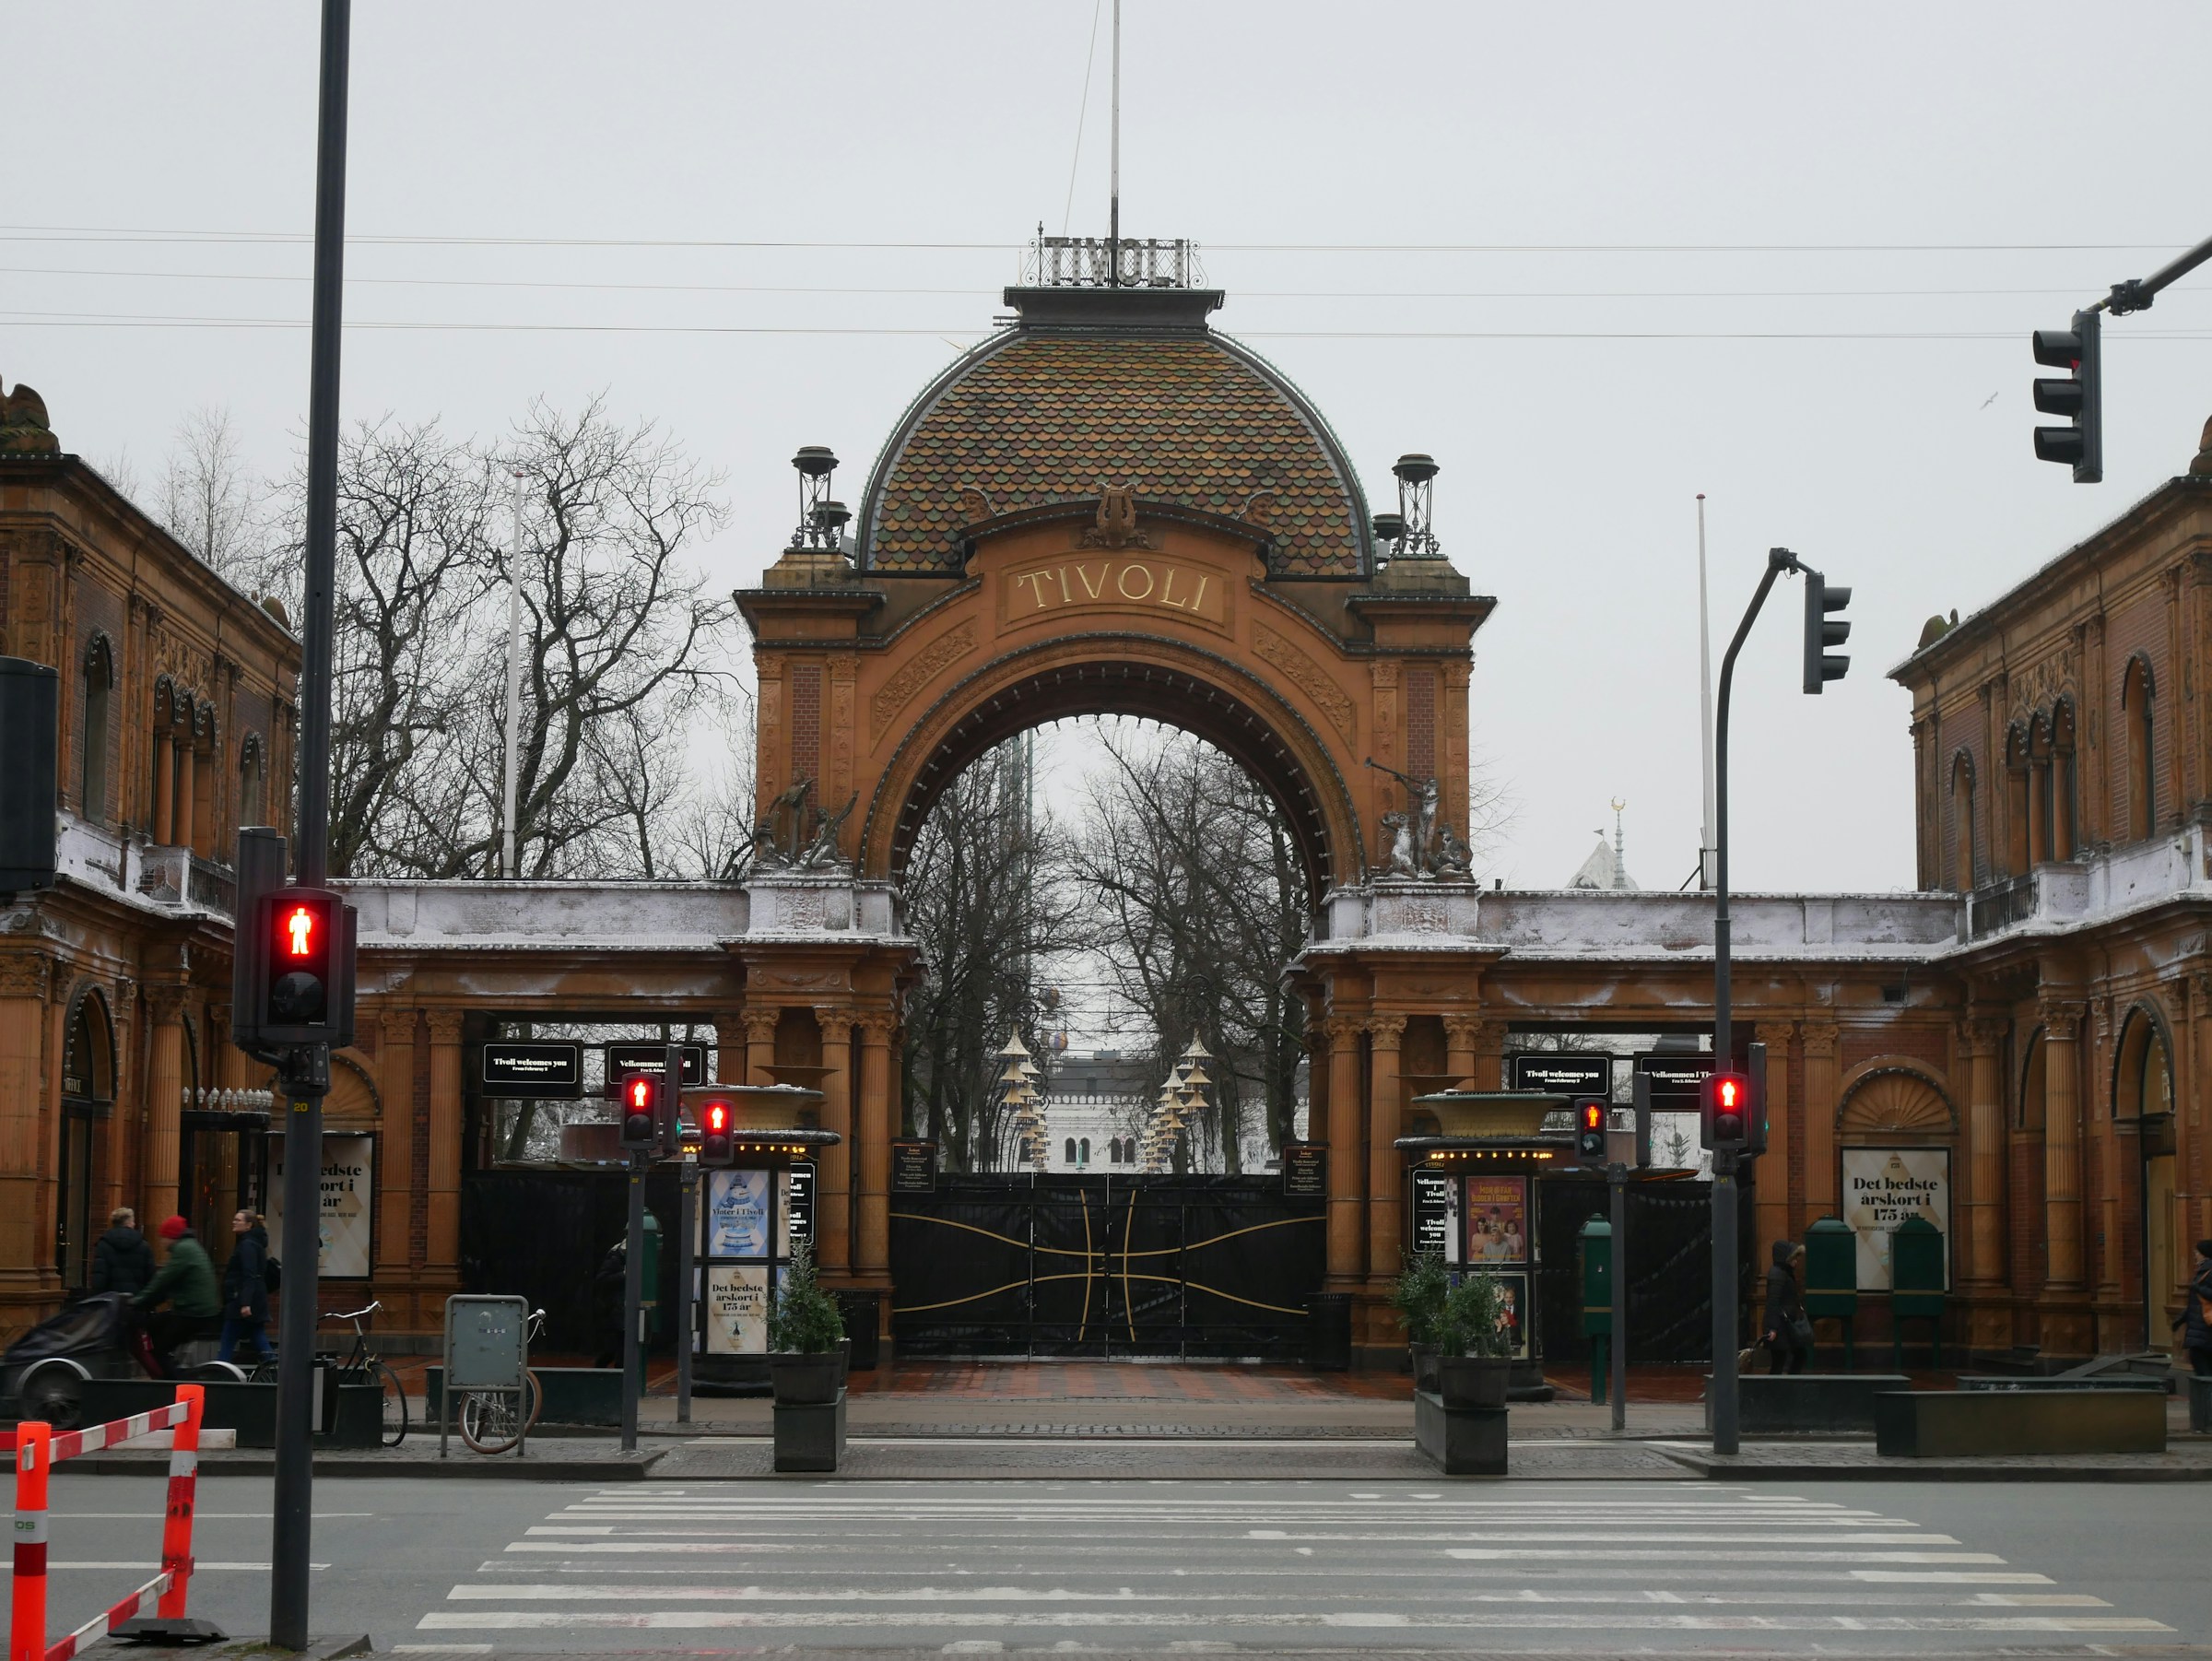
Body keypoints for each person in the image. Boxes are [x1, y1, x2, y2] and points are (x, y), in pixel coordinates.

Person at [132, 1215, 221, 1378]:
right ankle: (173, 1370)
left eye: (163, 1237)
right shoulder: (190, 1246)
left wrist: (136, 1302)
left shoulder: (183, 1250)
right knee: (155, 1325)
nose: (161, 1242)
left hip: (192, 1312)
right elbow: (170, 1285)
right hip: (199, 1310)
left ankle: (174, 1383)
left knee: (159, 1349)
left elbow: (163, 1280)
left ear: (171, 1237)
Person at [218, 1208, 274, 1365]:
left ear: (249, 1225)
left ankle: (220, 1372)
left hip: (243, 1301)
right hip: (254, 1299)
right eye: (234, 1219)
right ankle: (274, 1367)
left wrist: (245, 1303)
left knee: (228, 1340)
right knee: (257, 1335)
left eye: (238, 1220)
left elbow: (249, 1274)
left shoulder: (247, 1245)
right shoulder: (255, 1243)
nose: (234, 1222)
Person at [1762, 1240, 1809, 1375]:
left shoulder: (1783, 1273)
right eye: (1794, 1257)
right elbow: (1773, 1301)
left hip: (1785, 1323)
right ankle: (1780, 1391)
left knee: (1791, 1356)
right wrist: (1772, 1328)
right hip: (1780, 1324)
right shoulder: (1778, 1274)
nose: (1797, 1261)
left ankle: (1787, 1388)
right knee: (1781, 1360)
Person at [2171, 1239, 2212, 1377]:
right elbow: (2195, 1302)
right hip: (2199, 1326)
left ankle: (2206, 1398)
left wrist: (2198, 1288)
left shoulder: (2208, 1272)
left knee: (2203, 1369)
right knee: (2200, 1365)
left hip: (2205, 1328)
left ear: (2204, 1254)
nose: (2195, 1254)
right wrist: (2181, 1318)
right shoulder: (2202, 1271)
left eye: (2197, 1252)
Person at [90, 1207, 154, 1296]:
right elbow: (150, 1275)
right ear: (130, 1223)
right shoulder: (143, 1245)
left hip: (110, 1298)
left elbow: (100, 1275)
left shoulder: (103, 1244)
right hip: (135, 1297)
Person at [591, 1236, 628, 1369]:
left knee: (623, 1348)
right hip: (612, 1310)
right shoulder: (614, 1260)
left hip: (620, 1309)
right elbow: (601, 1280)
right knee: (612, 1349)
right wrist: (623, 1275)